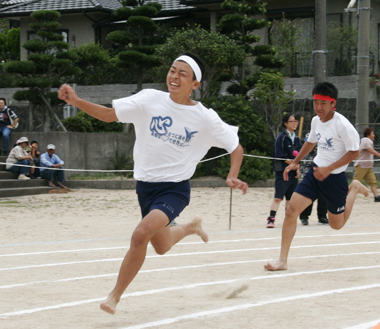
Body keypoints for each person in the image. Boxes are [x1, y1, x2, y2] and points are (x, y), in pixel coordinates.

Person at [58, 52, 248, 315]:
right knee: (162, 246)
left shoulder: (204, 117)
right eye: (173, 70)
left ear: (195, 84)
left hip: (175, 189)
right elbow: (109, 115)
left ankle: (114, 296)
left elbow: (235, 148)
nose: (174, 76)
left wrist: (232, 174)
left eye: (183, 73)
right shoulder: (149, 99)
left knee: (140, 235)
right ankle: (192, 227)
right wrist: (76, 101)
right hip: (145, 188)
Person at [265, 82, 369, 271]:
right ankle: (282, 260)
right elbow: (311, 142)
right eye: (316, 103)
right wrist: (296, 162)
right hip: (315, 172)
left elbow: (354, 152)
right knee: (291, 211)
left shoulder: (343, 125)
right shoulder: (315, 121)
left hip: (335, 178)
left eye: (323, 103)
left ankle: (354, 188)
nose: (319, 107)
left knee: (336, 225)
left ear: (333, 104)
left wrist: (329, 169)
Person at [266, 114, 302, 228]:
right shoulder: (281, 137)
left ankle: (288, 219)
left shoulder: (296, 138)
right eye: (292, 121)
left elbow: (300, 155)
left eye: (296, 121)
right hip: (282, 171)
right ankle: (271, 219)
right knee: (278, 197)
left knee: (290, 198)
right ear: (286, 123)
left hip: (293, 172)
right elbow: (280, 155)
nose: (295, 123)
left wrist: (297, 168)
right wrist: (293, 165)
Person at [298, 131, 328, 226]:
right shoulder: (310, 135)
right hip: (309, 168)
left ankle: (322, 216)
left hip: (322, 169)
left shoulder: (326, 135)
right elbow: (311, 147)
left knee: (323, 194)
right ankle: (304, 217)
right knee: (308, 195)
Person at [353, 127, 380, 202]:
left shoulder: (368, 142)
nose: (374, 135)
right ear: (368, 135)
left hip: (368, 167)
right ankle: (346, 195)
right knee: (356, 181)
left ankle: (376, 196)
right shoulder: (365, 141)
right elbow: (370, 150)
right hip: (361, 166)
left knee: (372, 181)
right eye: (372, 133)